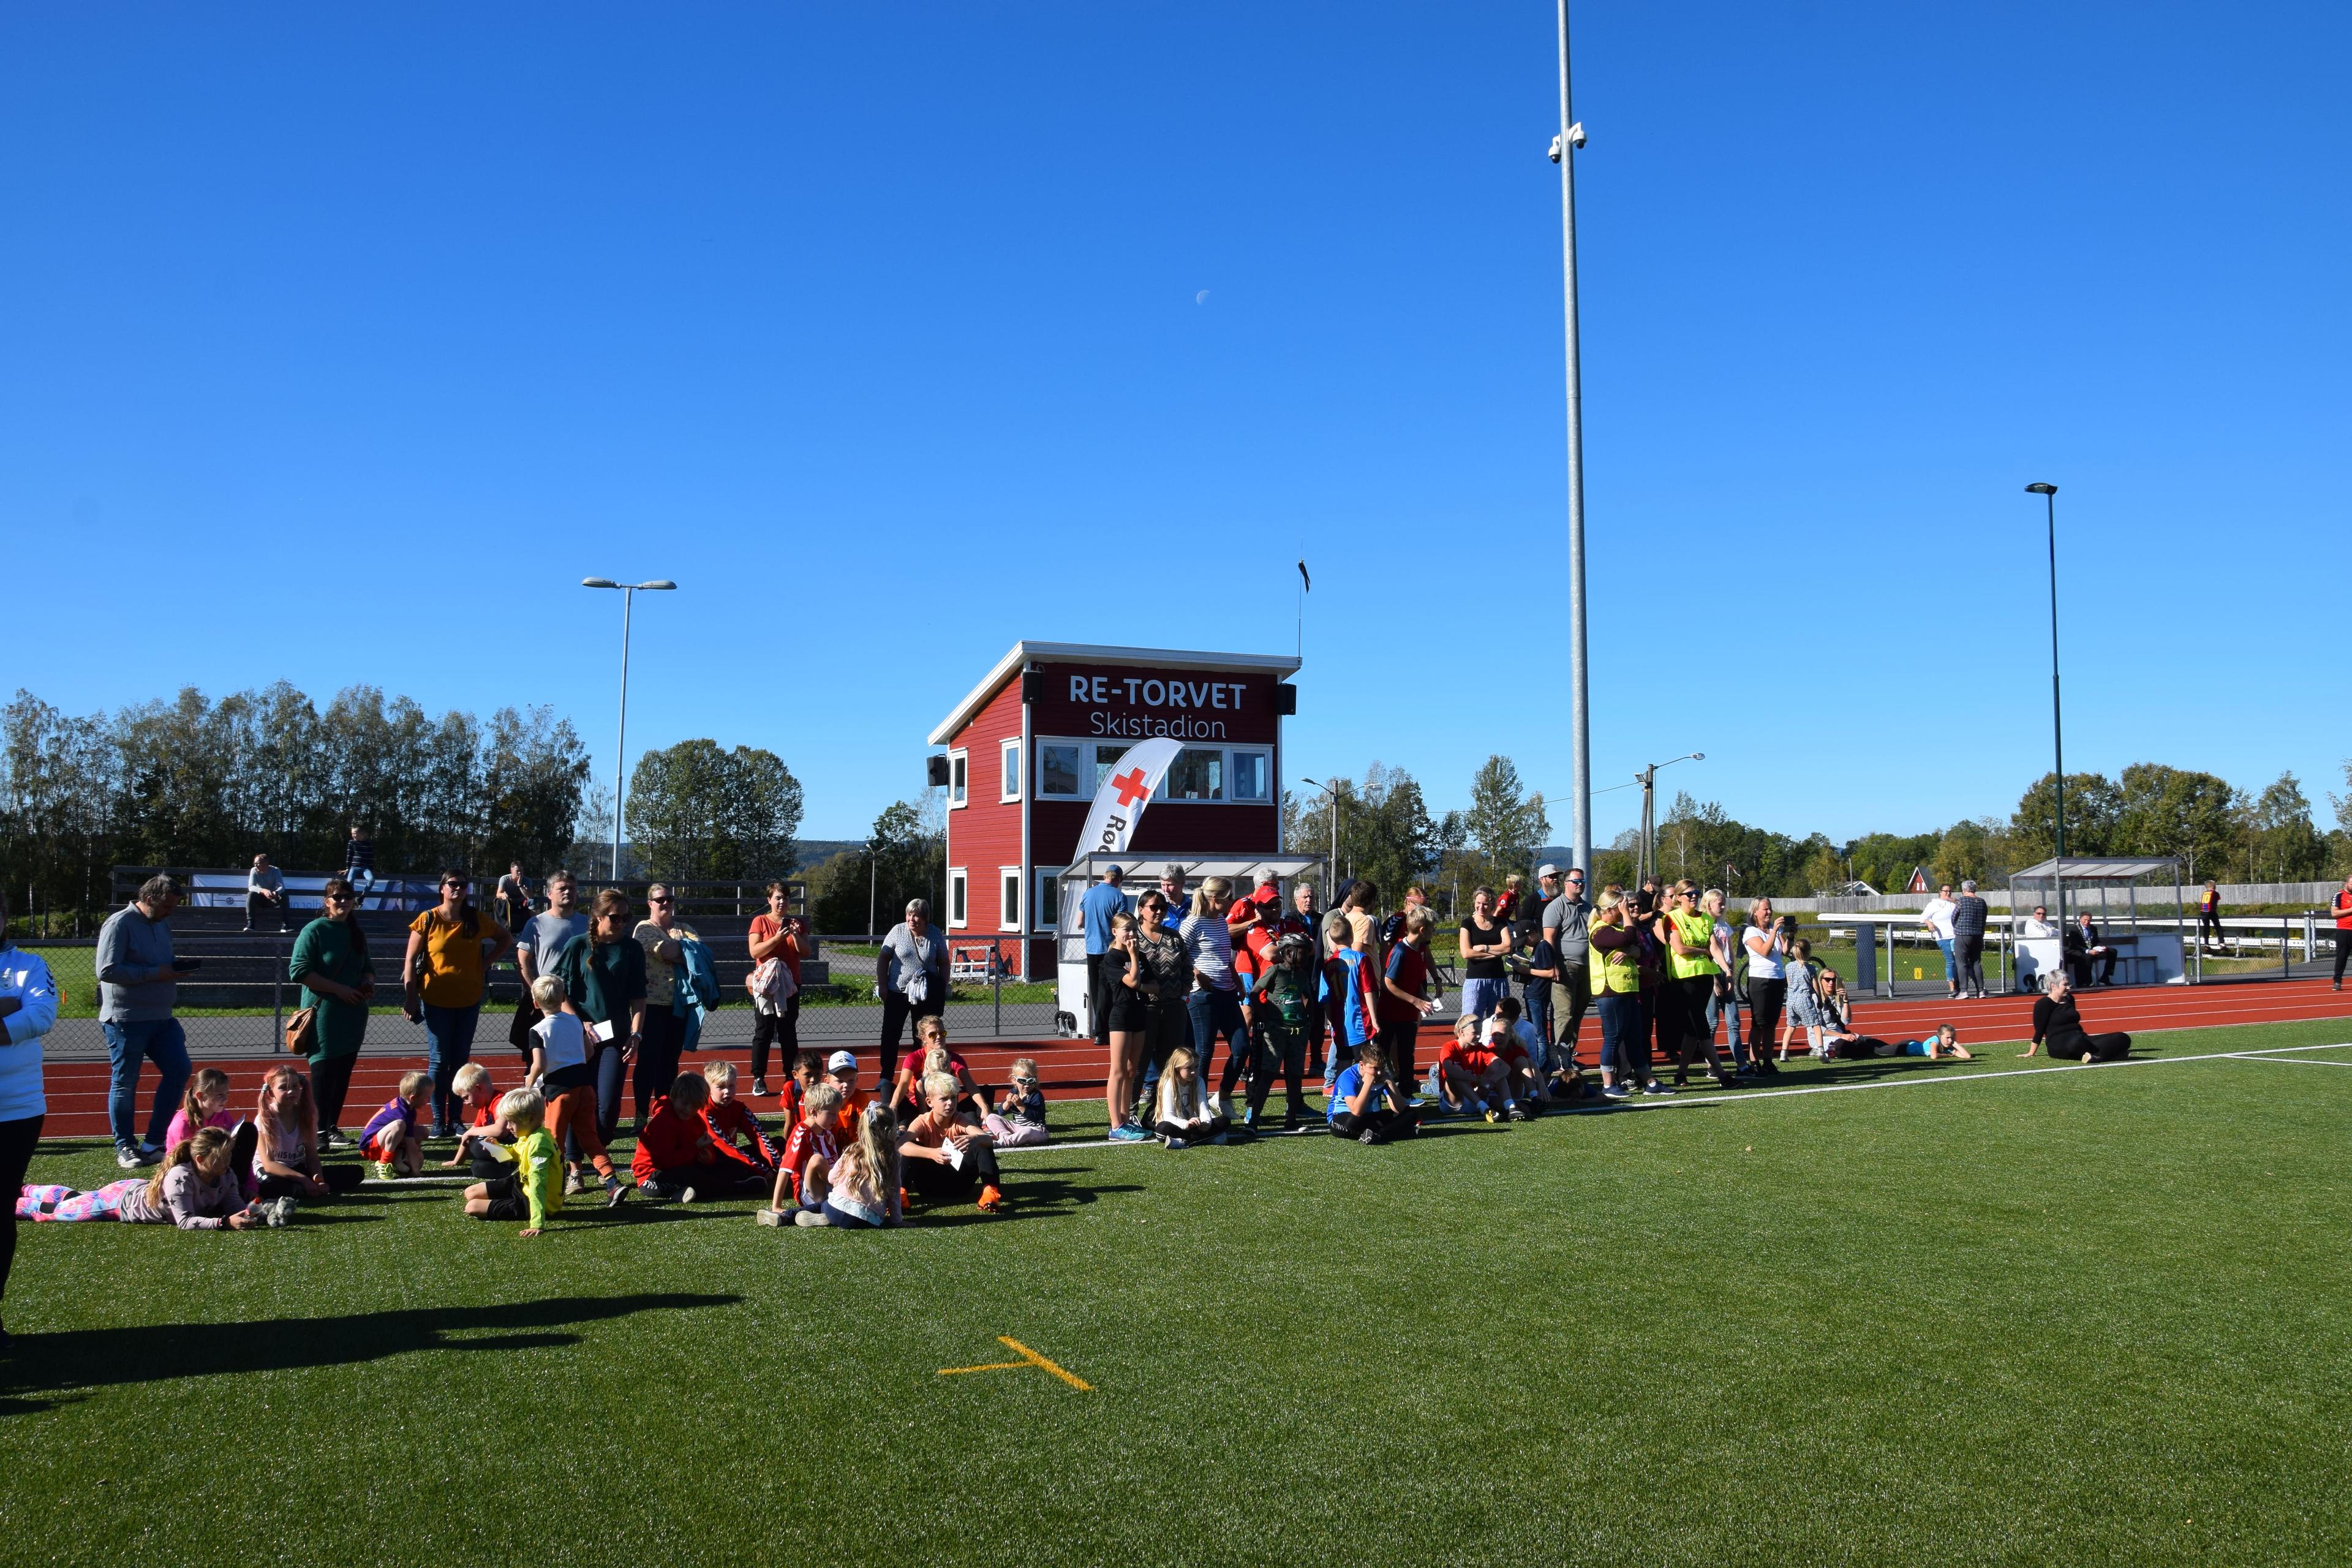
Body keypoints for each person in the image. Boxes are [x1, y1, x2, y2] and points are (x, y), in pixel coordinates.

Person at [402, 869, 514, 1139]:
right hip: (435, 1000)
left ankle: (455, 1120)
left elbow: (505, 938)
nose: (458, 889)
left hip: (468, 1001)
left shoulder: (476, 918)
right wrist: (410, 997)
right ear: (442, 888)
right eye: (453, 884)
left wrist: (484, 964)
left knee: (460, 1061)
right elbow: (410, 960)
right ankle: (438, 1121)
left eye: (463, 885)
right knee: (439, 1061)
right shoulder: (428, 919)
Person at [96, 873, 195, 1169]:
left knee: (179, 1070)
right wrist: (156, 973)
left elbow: (159, 963)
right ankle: (125, 1146)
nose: (170, 912)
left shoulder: (161, 923)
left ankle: (154, 1143)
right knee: (125, 1082)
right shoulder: (119, 924)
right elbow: (107, 970)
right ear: (149, 899)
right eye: (166, 906)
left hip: (162, 1017)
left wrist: (174, 969)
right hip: (127, 1019)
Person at [0, 893, 58, 1341]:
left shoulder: (30, 965)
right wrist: (7, 1009)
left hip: (17, 1108)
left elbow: (41, 1015)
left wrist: (10, 1019)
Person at [523, 972, 628, 1205]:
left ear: (536, 1003)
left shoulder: (538, 1030)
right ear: (563, 998)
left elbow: (539, 1064)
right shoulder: (575, 1022)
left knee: (554, 1143)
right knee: (590, 1138)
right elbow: (589, 1052)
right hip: (584, 1087)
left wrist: (529, 1083)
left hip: (560, 1091)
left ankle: (554, 1188)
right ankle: (612, 1181)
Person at [288, 875, 376, 1149]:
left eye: (348, 897)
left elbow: (368, 968)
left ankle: (331, 1127)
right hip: (324, 1014)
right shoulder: (314, 930)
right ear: (327, 902)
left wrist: (367, 983)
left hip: (352, 1015)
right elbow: (299, 971)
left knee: (343, 1073)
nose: (344, 902)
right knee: (323, 1072)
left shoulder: (356, 932)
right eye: (338, 897)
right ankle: (315, 1130)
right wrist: (340, 990)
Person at [555, 889, 647, 1148]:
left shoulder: (632, 948)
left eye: (626, 918)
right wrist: (578, 1023)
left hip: (615, 1036)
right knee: (576, 1098)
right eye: (615, 917)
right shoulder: (577, 945)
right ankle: (574, 1163)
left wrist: (636, 1033)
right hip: (579, 1036)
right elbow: (558, 991)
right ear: (598, 916)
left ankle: (598, 1150)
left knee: (607, 1106)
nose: (621, 923)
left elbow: (639, 996)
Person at [230, 1063, 363, 1223]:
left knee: (356, 1173)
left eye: (295, 1086)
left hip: (297, 1169)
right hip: (273, 1173)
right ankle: (301, 1189)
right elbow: (269, 1165)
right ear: (271, 1092)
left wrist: (319, 1180)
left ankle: (300, 1190)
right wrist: (305, 1181)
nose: (291, 1091)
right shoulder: (265, 1118)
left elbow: (312, 1156)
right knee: (269, 1187)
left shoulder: (307, 1116)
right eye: (283, 1088)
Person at [1117, 897, 1193, 1139]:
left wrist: (1184, 994)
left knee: (1170, 1064)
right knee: (1138, 1065)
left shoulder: (1174, 937)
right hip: (1145, 1009)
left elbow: (1187, 968)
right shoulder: (1133, 937)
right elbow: (1124, 972)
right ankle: (1130, 1113)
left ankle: (1161, 1111)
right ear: (1141, 910)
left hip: (1173, 1007)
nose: (1159, 911)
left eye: (1162, 907)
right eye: (1153, 907)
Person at [633, 1071, 767, 1202]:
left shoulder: (695, 1120)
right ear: (674, 1097)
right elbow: (662, 1162)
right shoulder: (663, 1121)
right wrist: (695, 1149)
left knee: (730, 1166)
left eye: (695, 1106)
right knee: (691, 1176)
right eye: (685, 1103)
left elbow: (706, 1153)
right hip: (652, 1177)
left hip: (684, 1164)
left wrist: (708, 1157)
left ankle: (686, 1192)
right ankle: (737, 1188)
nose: (689, 1110)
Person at [633, 883, 700, 1129]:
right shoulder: (644, 928)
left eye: (670, 899)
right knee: (648, 1061)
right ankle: (641, 1114)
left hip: (679, 1005)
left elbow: (700, 954)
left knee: (670, 1061)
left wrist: (682, 952)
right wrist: (685, 953)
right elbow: (666, 952)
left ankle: (663, 1112)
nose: (666, 903)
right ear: (650, 903)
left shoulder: (685, 928)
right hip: (651, 1005)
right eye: (660, 900)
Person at [1181, 877, 1248, 1112]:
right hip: (1203, 995)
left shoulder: (1221, 921)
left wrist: (1237, 981)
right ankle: (1197, 1102)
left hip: (1228, 992)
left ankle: (1223, 1097)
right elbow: (1179, 955)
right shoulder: (1192, 923)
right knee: (1204, 1051)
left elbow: (1225, 956)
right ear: (1214, 898)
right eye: (1229, 897)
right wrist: (1196, 973)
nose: (1232, 901)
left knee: (1242, 1047)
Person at [510, 869, 586, 1065]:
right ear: (550, 893)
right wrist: (535, 992)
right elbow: (522, 961)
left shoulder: (588, 924)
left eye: (572, 888)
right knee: (538, 1061)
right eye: (562, 888)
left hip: (580, 1000)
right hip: (546, 1003)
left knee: (576, 1057)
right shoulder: (536, 923)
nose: (568, 892)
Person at [1588, 890, 1659, 1099]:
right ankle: (1609, 1084)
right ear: (1611, 910)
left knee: (1635, 1038)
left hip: (1627, 988)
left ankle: (1650, 1082)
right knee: (1613, 1038)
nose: (1626, 911)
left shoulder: (1615, 929)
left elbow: (1639, 948)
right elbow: (1631, 937)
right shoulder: (1600, 931)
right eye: (1623, 907)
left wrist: (1629, 951)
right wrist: (1627, 918)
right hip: (1610, 991)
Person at [462, 1087, 561, 1237]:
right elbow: (516, 1152)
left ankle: (514, 1204)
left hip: (535, 1200)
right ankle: (506, 1199)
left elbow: (538, 1183)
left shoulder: (539, 1144)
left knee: (472, 1207)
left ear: (530, 1119)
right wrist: (496, 1147)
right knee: (470, 1192)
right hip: (523, 1183)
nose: (508, 1127)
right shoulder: (532, 1134)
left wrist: (537, 1223)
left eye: (511, 1122)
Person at [900, 1071, 1007, 1209]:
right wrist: (931, 1153)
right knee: (911, 1147)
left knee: (981, 1143)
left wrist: (975, 1139)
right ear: (930, 1102)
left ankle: (990, 1194)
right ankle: (900, 1195)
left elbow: (988, 1140)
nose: (950, 1103)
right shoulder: (923, 1121)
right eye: (944, 1099)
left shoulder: (960, 1119)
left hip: (960, 1185)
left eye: (953, 1098)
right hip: (928, 1185)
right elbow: (900, 1145)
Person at [1662, 884, 1733, 1089]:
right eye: (1689, 894)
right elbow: (1680, 949)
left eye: (1696, 894)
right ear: (1678, 897)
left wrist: (1727, 970)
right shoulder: (1672, 918)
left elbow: (1714, 947)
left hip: (1704, 976)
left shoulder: (1706, 919)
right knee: (1701, 1027)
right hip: (1685, 979)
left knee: (1693, 1030)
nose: (1694, 897)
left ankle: (1681, 1073)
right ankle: (1722, 1075)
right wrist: (1703, 951)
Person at [791, 1101, 902, 1229]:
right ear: (889, 1132)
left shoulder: (852, 1150)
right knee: (833, 1206)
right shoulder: (892, 1158)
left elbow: (831, 1178)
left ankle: (787, 1216)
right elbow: (894, 1193)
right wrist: (897, 1221)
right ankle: (827, 1216)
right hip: (867, 1219)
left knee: (823, 1205)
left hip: (835, 1209)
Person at [878, 898, 948, 1090]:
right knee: (890, 1035)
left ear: (925, 918)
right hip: (897, 992)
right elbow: (883, 958)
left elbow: (944, 962)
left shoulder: (935, 934)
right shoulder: (897, 931)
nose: (912, 919)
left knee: (922, 1036)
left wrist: (942, 987)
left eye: (916, 916)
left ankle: (921, 1075)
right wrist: (882, 985)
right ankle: (886, 1076)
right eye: (909, 915)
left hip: (925, 995)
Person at [1373, 910, 1439, 1104]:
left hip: (1408, 1015)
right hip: (1390, 1014)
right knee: (1380, 1055)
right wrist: (1416, 1001)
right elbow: (1388, 983)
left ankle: (1406, 1094)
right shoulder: (1400, 951)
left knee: (1407, 1056)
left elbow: (1415, 981)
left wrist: (1423, 997)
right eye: (1432, 929)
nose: (1434, 932)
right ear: (1422, 930)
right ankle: (1374, 1095)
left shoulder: (1419, 950)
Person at [747, 882, 807, 1095]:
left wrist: (795, 935)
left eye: (786, 898)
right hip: (766, 986)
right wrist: (777, 938)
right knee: (764, 1031)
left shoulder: (797, 923)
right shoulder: (760, 921)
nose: (782, 902)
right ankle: (759, 1078)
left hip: (790, 985)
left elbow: (806, 952)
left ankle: (791, 1079)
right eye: (778, 898)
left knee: (788, 1032)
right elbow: (755, 951)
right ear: (769, 900)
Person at [760, 1080, 843, 1223]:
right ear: (813, 1111)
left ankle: (818, 1214)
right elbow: (785, 1169)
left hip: (828, 1187)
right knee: (817, 1160)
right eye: (831, 1114)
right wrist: (776, 1206)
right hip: (809, 1191)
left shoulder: (828, 1133)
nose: (836, 1119)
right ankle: (840, 1195)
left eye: (837, 1114)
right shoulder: (801, 1132)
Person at [1539, 865, 1593, 1068]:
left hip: (1587, 968)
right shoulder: (1556, 907)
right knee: (1564, 1013)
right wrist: (1552, 965)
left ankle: (1568, 1055)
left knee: (1577, 1014)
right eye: (1576, 881)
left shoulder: (1588, 908)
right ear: (1566, 883)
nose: (1580, 885)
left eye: (1582, 882)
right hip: (1565, 967)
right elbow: (1549, 940)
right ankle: (1560, 1059)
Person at [2020, 972, 2131, 1061]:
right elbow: (2039, 1031)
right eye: (2065, 985)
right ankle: (2110, 1055)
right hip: (2059, 1044)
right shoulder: (2043, 1003)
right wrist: (2031, 1053)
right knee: (2077, 1044)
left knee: (2122, 1037)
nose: (2069, 988)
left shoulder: (2070, 999)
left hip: (2081, 1038)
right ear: (2053, 986)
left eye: (2069, 985)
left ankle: (2097, 1057)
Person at [1329, 1042, 1419, 1144]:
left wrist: (1390, 1083)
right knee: (1353, 1122)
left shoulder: (1382, 1076)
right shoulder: (1349, 1077)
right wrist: (1368, 1084)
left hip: (1368, 1117)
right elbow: (1357, 1111)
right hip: (1343, 1119)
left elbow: (1399, 1109)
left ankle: (1378, 1135)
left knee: (1411, 1114)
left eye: (1382, 1068)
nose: (1379, 1073)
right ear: (1362, 1065)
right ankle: (1396, 1132)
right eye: (1375, 1068)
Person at [1080, 865, 1128, 1054]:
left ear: (1104, 876)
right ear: (1119, 879)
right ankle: (1103, 1031)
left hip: (1091, 947)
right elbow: (1122, 923)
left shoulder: (1088, 894)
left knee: (1096, 989)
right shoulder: (1119, 896)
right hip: (1109, 948)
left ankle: (1100, 1029)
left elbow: (1079, 922)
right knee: (1107, 991)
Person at [1431, 1012, 1513, 1121]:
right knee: (1456, 1071)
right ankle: (1485, 1109)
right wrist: (1478, 1079)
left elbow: (1505, 1067)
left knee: (1496, 1068)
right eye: (1475, 1033)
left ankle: (1511, 1107)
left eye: (1480, 1033)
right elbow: (1449, 1070)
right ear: (1462, 1032)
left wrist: (1492, 1080)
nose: (1479, 1036)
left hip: (1474, 1096)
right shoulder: (1449, 1047)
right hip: (1454, 1103)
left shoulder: (1480, 1048)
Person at [701, 1061, 777, 1170]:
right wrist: (761, 1169)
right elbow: (725, 1147)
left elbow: (759, 1136)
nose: (727, 1091)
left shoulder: (739, 1108)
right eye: (721, 1087)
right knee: (733, 1165)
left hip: (731, 1154)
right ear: (709, 1089)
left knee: (779, 1143)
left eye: (731, 1086)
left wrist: (779, 1166)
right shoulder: (706, 1111)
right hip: (713, 1159)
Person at [1743, 903, 1790, 1073]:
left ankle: (1768, 1062)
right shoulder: (1751, 931)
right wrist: (1774, 931)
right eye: (1765, 909)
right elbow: (1764, 951)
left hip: (1777, 979)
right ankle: (1754, 1062)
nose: (1769, 912)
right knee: (1759, 1024)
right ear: (1756, 912)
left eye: (1770, 908)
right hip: (1760, 980)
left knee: (1771, 1024)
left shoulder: (1774, 930)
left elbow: (1785, 950)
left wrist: (1790, 935)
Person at [1702, 888, 1745, 1072]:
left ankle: (1742, 1064)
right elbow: (1708, 954)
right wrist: (1714, 981)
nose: (1723, 907)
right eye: (1720, 904)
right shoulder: (1704, 924)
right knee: (1712, 1022)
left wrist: (1731, 974)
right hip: (1712, 973)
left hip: (1725, 972)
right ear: (1709, 904)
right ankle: (1711, 1065)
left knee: (1734, 1021)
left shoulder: (1724, 925)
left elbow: (1730, 952)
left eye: (1724, 904)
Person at [1152, 1046, 1227, 1148]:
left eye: (1196, 1067)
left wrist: (1206, 1123)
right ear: (1177, 1069)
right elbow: (1168, 1116)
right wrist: (1186, 1124)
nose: (1193, 1072)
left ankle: (1183, 1141)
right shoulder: (1169, 1083)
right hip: (1176, 1125)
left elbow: (1203, 1108)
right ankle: (1208, 1138)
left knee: (1225, 1121)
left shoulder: (1199, 1081)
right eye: (1189, 1068)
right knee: (1162, 1128)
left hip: (1194, 1125)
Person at [360, 1071, 430, 1179]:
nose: (429, 1100)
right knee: (399, 1125)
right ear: (413, 1098)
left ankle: (398, 1153)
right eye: (427, 1097)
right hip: (369, 1148)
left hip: (379, 1140)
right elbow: (411, 1144)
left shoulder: (406, 1105)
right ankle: (384, 1162)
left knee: (422, 1132)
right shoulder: (403, 1114)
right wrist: (416, 1171)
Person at [1457, 886, 1511, 1022]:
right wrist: (1496, 954)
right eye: (1478, 903)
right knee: (1470, 1022)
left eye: (1485, 904)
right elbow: (1466, 953)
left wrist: (1485, 948)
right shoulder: (1467, 923)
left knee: (1500, 1021)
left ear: (1492, 904)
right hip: (1475, 981)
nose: (1481, 907)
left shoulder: (1500, 923)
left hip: (1499, 980)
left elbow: (1507, 948)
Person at [164, 1067, 238, 1155]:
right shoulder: (183, 1124)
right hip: (187, 1162)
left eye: (227, 1093)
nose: (225, 1099)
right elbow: (185, 1157)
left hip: (215, 1160)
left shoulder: (224, 1115)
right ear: (201, 1096)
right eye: (219, 1095)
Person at [984, 1058, 1051, 1148]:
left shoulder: (1036, 1095)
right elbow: (1001, 1112)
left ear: (1036, 1080)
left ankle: (1001, 1143)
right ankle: (1005, 1137)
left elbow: (1036, 1117)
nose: (1027, 1085)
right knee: (991, 1117)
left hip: (1036, 1130)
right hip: (1017, 1127)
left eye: (1031, 1081)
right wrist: (1007, 1103)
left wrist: (1020, 1105)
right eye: (1023, 1081)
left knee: (1027, 1132)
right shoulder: (1014, 1092)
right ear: (1014, 1080)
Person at [1951, 881, 1991, 1000]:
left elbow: (1954, 917)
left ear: (1964, 890)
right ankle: (1981, 990)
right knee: (1976, 963)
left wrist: (1957, 927)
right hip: (1978, 935)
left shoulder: (1962, 901)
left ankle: (1964, 991)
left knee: (1962, 963)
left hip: (1963, 934)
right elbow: (1984, 919)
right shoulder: (1982, 902)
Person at [1920, 884, 1960, 999]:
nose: (1948, 893)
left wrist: (1955, 900)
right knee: (1951, 962)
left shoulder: (1953, 904)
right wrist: (1929, 923)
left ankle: (1962, 987)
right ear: (1940, 892)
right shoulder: (1934, 904)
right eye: (1946, 891)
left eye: (1950, 891)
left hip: (1956, 936)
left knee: (1961, 962)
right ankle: (1953, 988)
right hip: (1944, 938)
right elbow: (1922, 917)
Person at [2065, 913, 2117, 987]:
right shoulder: (2074, 929)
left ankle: (2105, 977)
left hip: (2092, 950)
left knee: (2112, 952)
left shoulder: (2093, 928)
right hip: (2079, 951)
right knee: (2088, 957)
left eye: (2089, 920)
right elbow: (2074, 945)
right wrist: (2088, 951)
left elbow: (2096, 941)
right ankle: (2087, 981)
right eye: (2085, 920)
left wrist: (2101, 947)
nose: (2087, 922)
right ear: (2080, 919)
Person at [244, 853, 289, 933]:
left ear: (266, 863)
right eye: (254, 864)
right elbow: (251, 887)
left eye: (258, 863)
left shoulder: (276, 870)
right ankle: (251, 924)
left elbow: (281, 886)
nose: (256, 866)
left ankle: (285, 925)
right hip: (259, 899)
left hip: (272, 899)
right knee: (251, 895)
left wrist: (276, 893)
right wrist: (263, 891)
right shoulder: (254, 870)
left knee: (284, 895)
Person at [494, 862, 532, 932]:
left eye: (521, 871)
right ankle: (501, 928)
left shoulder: (527, 880)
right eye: (517, 871)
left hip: (521, 902)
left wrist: (520, 885)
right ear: (511, 871)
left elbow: (530, 896)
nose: (520, 873)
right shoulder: (505, 879)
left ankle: (530, 928)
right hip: (509, 902)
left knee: (532, 902)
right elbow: (498, 894)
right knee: (498, 901)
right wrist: (503, 895)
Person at [342, 823, 377, 897]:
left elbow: (370, 857)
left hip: (365, 868)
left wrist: (371, 869)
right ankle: (352, 897)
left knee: (372, 880)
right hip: (354, 867)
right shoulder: (352, 843)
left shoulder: (368, 843)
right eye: (352, 834)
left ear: (362, 833)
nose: (353, 835)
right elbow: (349, 856)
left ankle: (363, 896)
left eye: (355, 833)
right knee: (349, 882)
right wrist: (348, 868)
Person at [2332, 874, 2352, 991]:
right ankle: (2337, 981)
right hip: (2345, 930)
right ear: (2346, 884)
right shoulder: (2339, 895)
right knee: (2342, 957)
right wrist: (2350, 910)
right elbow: (2334, 913)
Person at [2197, 881, 2224, 952]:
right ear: (2212, 886)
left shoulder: (2204, 893)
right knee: (2218, 927)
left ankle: (2206, 944)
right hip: (2211, 911)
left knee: (2206, 928)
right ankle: (2222, 943)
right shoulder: (2215, 893)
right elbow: (2215, 903)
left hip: (2203, 912)